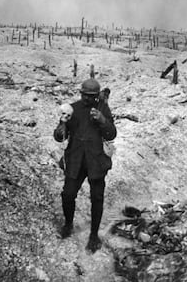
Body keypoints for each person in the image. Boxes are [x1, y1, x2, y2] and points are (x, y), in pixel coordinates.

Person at [53, 78, 117, 253]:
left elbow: (112, 134)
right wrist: (60, 132)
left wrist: (103, 120)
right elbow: (59, 135)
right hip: (76, 159)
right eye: (84, 95)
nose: (87, 99)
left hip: (96, 161)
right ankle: (68, 224)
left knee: (97, 198)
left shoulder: (102, 108)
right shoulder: (73, 108)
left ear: (97, 96)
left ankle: (94, 235)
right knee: (67, 194)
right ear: (80, 93)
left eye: (91, 96)